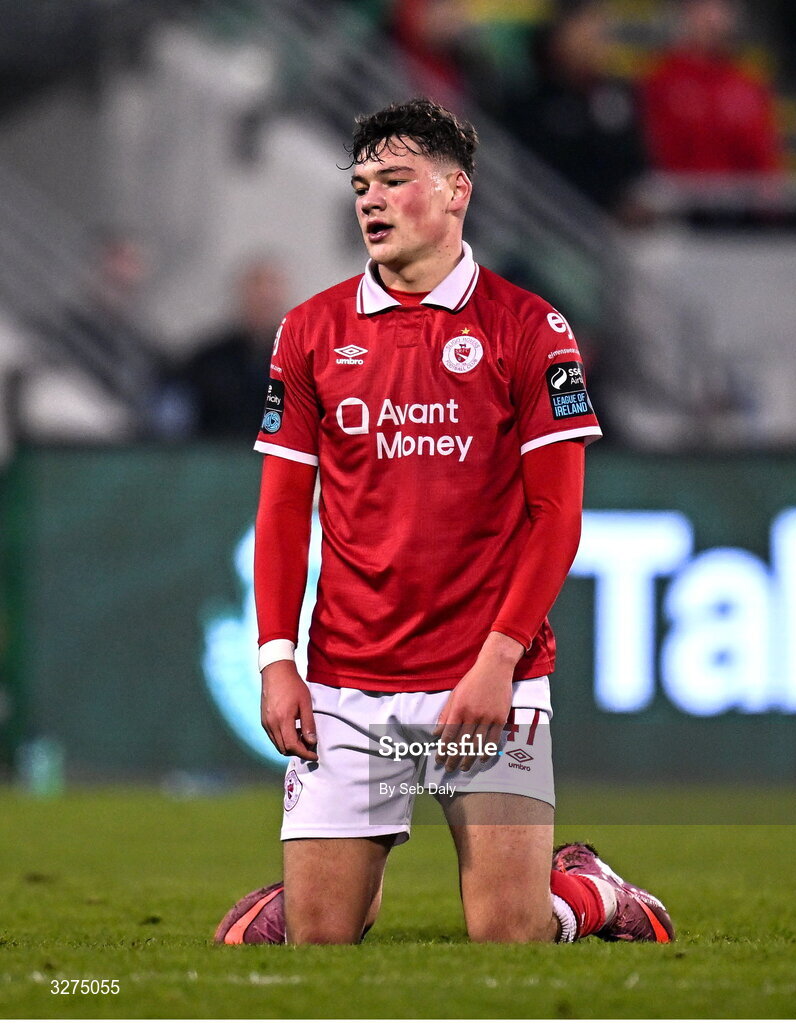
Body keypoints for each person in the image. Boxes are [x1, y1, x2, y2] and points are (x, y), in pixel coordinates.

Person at [252, 98, 674, 946]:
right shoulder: (308, 331)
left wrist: (499, 658)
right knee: (319, 943)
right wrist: (276, 660)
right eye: (362, 184)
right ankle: (325, 889)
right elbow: (281, 508)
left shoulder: (529, 329)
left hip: (485, 678)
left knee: (508, 934)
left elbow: (556, 517)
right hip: (348, 675)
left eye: (395, 181)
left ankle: (592, 894)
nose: (370, 200)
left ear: (455, 193)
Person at [506, 1, 649, 221]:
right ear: (560, 36)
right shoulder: (531, 101)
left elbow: (637, 160)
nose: (596, 40)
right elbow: (537, 171)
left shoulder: (620, 94)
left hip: (618, 230)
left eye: (601, 31)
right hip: (551, 226)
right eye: (586, 29)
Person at [642, 0, 783, 175]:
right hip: (677, 196)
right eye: (703, 8)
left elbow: (764, 157)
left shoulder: (749, 84)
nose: (713, 18)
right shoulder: (661, 80)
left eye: (721, 8)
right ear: (685, 14)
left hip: (738, 198)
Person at [179, 258, 287, 437]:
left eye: (272, 288)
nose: (264, 296)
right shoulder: (209, 362)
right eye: (256, 288)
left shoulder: (305, 362)